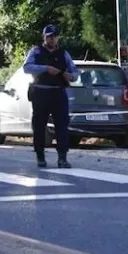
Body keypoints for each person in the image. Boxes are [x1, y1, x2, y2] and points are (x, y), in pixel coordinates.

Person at [23, 24, 79, 168]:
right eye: (48, 37)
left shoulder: (63, 54)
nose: (51, 39)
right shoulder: (36, 51)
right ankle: (40, 157)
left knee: (62, 126)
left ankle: (62, 158)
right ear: (44, 38)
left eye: (53, 37)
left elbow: (75, 72)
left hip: (58, 92)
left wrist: (70, 76)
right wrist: (45, 69)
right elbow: (27, 67)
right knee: (39, 126)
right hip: (41, 92)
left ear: (57, 38)